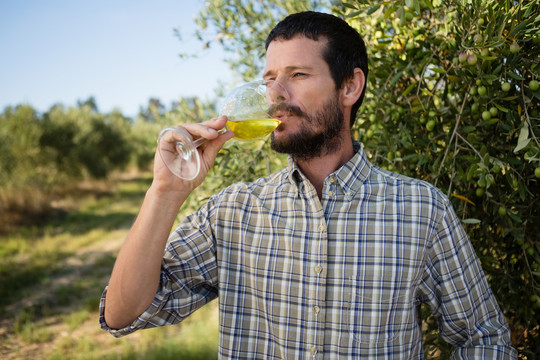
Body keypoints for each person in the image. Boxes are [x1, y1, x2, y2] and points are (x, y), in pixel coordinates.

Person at [100, 11, 517, 359]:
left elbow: (483, 337)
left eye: (297, 74)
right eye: (268, 79)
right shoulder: (233, 212)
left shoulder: (422, 210)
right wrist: (165, 191)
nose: (275, 95)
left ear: (350, 86)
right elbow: (123, 314)